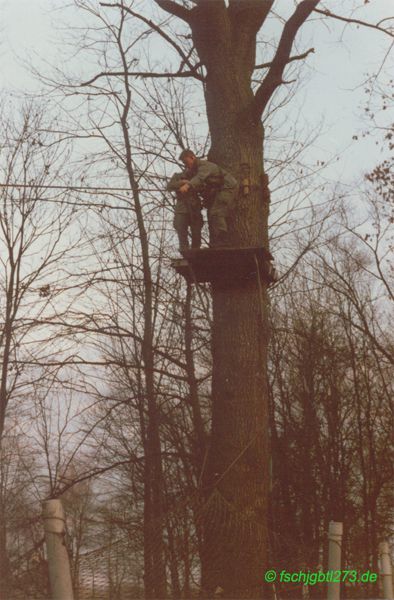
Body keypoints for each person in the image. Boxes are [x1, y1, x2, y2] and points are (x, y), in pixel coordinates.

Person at [178, 149, 238, 247]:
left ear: (192, 157)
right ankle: (220, 239)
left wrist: (187, 186)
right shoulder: (195, 170)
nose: (186, 165)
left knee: (216, 212)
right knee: (214, 212)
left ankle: (223, 240)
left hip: (228, 187)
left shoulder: (204, 166)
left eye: (186, 162)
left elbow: (200, 178)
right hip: (220, 189)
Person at [167, 171, 203, 253]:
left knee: (196, 232)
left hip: (195, 207)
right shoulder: (178, 176)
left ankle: (196, 251)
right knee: (181, 230)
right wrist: (182, 183)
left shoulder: (198, 175)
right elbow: (169, 187)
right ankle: (185, 251)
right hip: (182, 207)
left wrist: (191, 185)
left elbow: (203, 187)